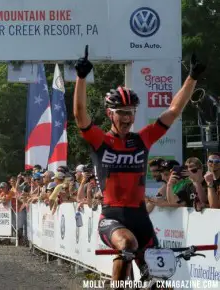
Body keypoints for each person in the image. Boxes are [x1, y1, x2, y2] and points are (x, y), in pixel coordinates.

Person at [73, 45, 205, 284]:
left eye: (131, 112)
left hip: (141, 217)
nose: (127, 118)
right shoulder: (101, 140)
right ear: (109, 114)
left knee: (157, 281)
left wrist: (192, 78)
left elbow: (174, 111)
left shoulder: (141, 139)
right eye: (121, 112)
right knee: (127, 244)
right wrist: (80, 79)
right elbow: (80, 115)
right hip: (112, 217)